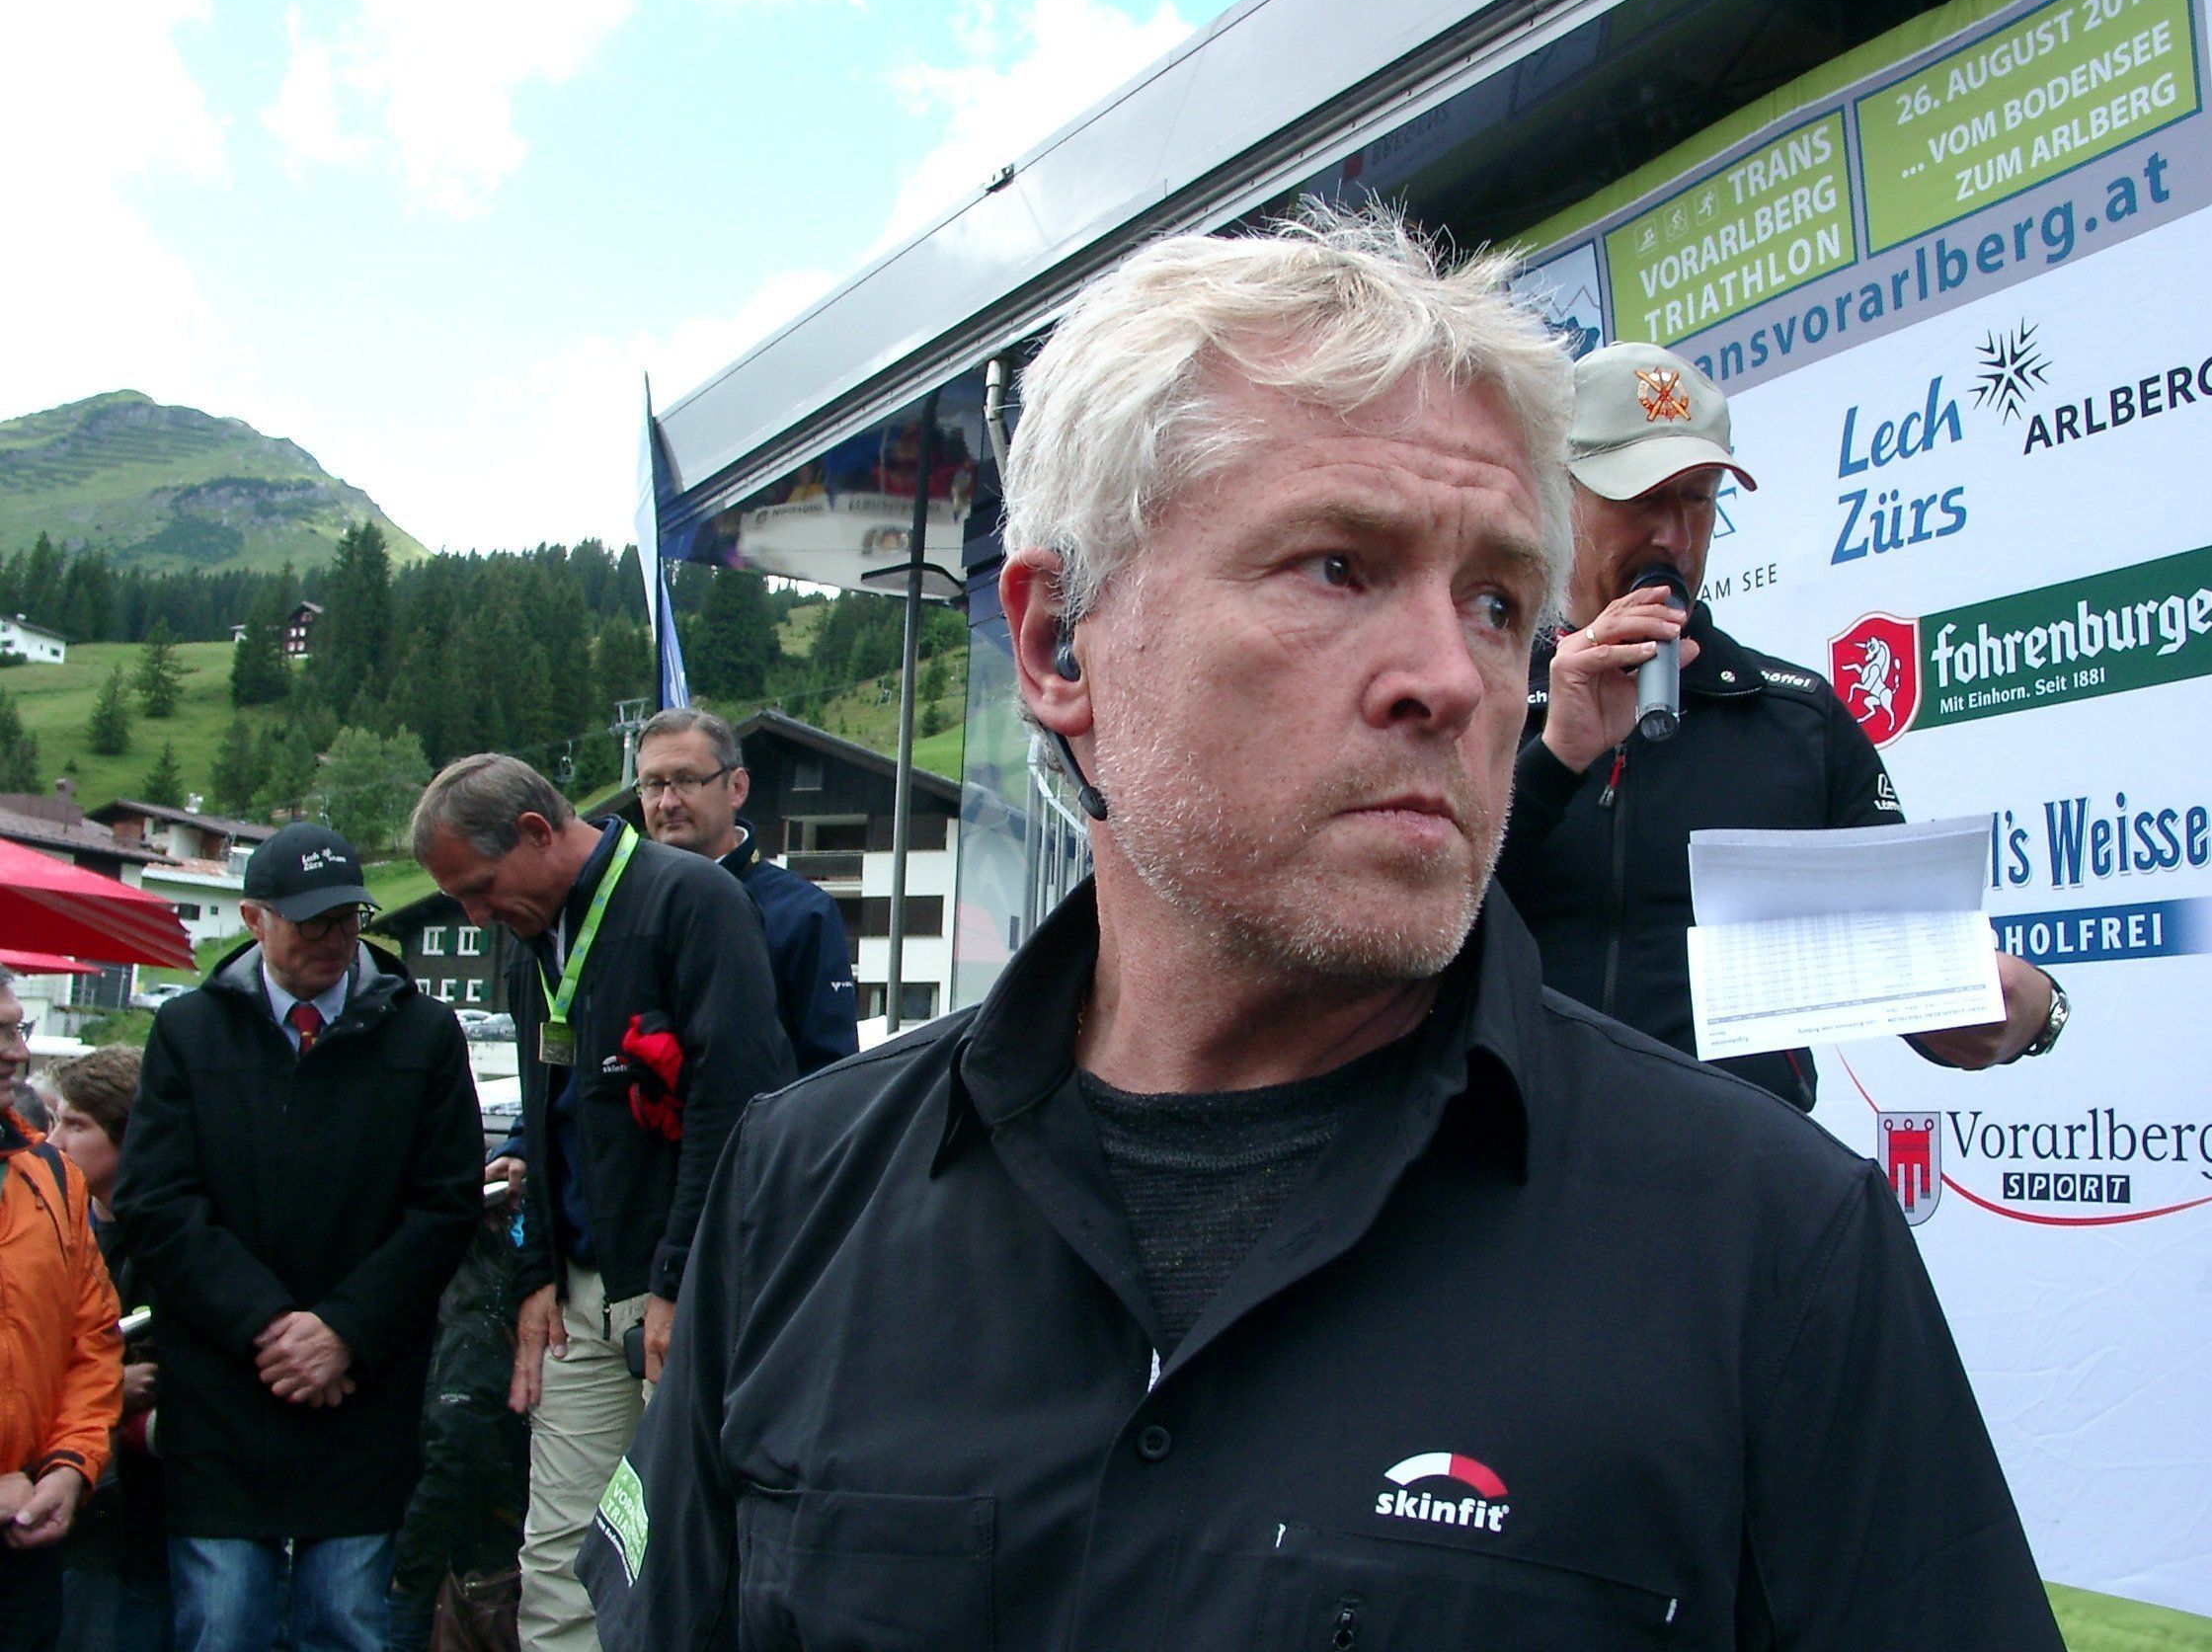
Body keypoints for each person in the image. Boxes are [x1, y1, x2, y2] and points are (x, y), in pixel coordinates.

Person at [573, 209, 2063, 1648]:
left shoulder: (1778, 1248)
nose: (1455, 680)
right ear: (1057, 643)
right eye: (1338, 567)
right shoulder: (800, 1186)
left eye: (1496, 604)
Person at [1494, 340, 2065, 1108]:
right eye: (1642, 498)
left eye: (1698, 498)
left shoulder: (1796, 717)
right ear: (1557, 497)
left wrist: (2029, 1007)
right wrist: (1556, 759)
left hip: (1733, 1165)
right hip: (1513, 1155)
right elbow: (1409, 936)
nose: (1674, 537)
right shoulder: (1478, 693)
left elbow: (1924, 965)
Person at [411, 755, 793, 1652]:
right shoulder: (532, 938)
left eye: (479, 888)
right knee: (561, 1555)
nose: (474, 916)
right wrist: (535, 1272)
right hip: (578, 1300)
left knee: (699, 1543)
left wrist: (680, 1281)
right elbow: (546, 1119)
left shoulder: (691, 901)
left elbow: (736, 1106)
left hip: (689, 1295)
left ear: (537, 832)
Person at [114, 824, 482, 1652]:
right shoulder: (189, 1032)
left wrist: (344, 1329)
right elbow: (156, 1201)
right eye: (311, 921)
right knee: (221, 1623)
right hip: (223, 1384)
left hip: (361, 1389)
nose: (333, 938)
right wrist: (270, 1325)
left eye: (348, 918)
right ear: (254, 919)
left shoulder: (421, 1034)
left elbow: (446, 1206)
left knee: (345, 1621)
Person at [0, 968, 123, 1652]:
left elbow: (93, 1343)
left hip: (27, 1530)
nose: (17, 1052)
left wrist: (70, 1467)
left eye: (16, 1029)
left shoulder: (49, 1176)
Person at [633, 707, 859, 1074]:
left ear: (737, 788)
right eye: (653, 784)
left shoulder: (803, 913)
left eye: (686, 780)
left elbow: (830, 1071)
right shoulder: (622, 905)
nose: (668, 802)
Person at [49, 1046, 171, 1652]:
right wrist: (107, 1388)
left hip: (156, 1507)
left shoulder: (177, 1240)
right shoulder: (53, 1230)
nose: (55, 1142)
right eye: (55, 1121)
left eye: (75, 1124)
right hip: (74, 1497)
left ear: (128, 1137)